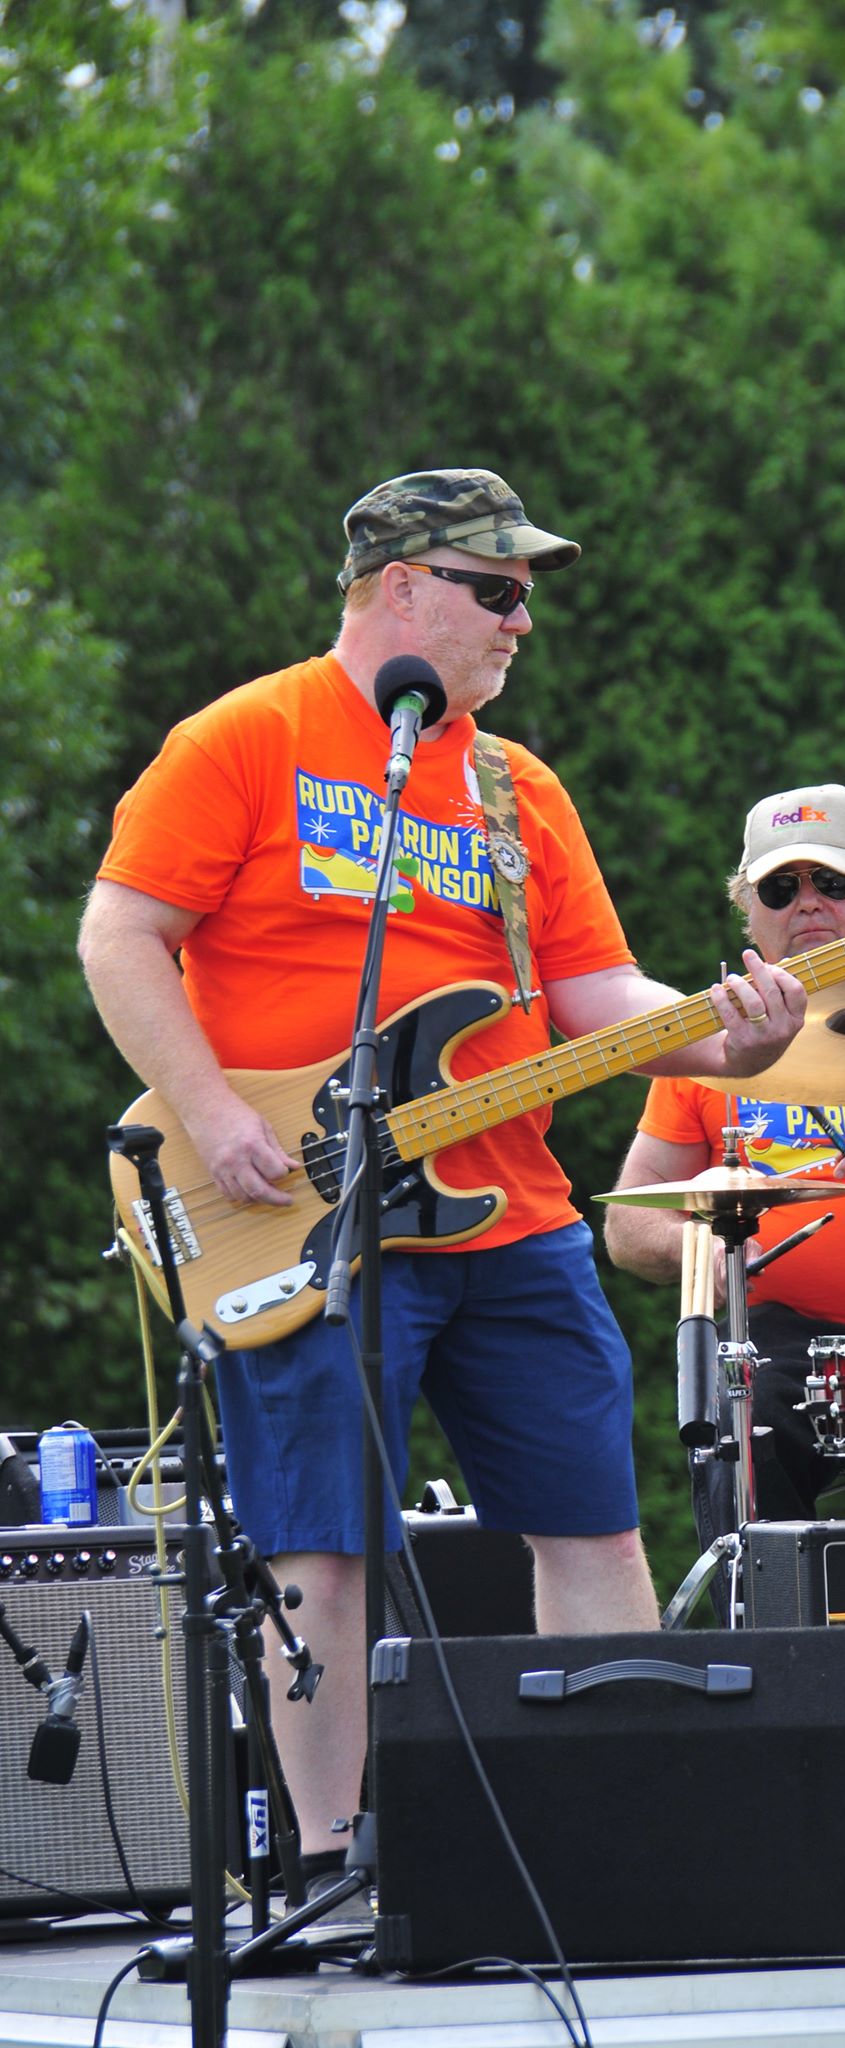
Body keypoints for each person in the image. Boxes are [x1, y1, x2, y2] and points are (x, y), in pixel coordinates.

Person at [77, 467, 805, 1910]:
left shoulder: (512, 782)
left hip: (510, 1211)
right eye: (498, 588)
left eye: (526, 591)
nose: (521, 619)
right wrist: (216, 1116)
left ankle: (624, 1842)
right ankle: (338, 1866)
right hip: (304, 1215)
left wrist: (729, 1035)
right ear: (398, 589)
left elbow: (595, 988)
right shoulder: (247, 737)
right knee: (320, 1549)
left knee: (595, 1520)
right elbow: (119, 933)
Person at [605, 782, 845, 1527]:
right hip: (793, 1344)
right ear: (746, 911)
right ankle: (768, 1637)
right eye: (780, 888)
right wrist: (704, 1247)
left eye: (832, 881)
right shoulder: (712, 1036)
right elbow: (627, 1227)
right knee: (740, 1424)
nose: (808, 903)